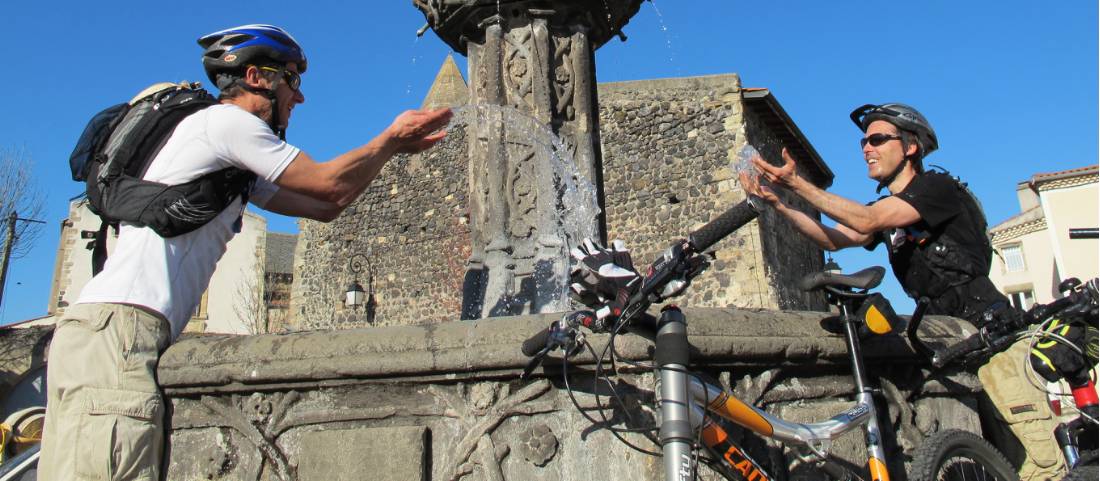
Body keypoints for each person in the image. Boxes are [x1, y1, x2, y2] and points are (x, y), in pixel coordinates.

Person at [38, 24, 452, 481]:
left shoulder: (231, 164)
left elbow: (327, 205)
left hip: (104, 333)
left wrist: (389, 151)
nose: (299, 97)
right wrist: (391, 137)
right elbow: (328, 181)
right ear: (257, 77)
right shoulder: (228, 123)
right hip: (120, 333)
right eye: (292, 80)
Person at [739, 103, 1064, 481]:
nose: (866, 148)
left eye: (877, 139)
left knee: (1039, 468)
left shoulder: (936, 189)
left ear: (911, 146)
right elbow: (836, 237)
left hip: (996, 341)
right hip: (950, 344)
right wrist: (778, 202)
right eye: (864, 141)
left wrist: (796, 183)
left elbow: (867, 219)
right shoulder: (889, 211)